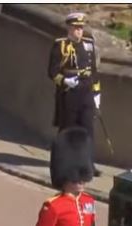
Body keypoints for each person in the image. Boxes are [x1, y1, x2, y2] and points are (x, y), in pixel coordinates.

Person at [47, 12, 102, 176]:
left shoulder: (88, 44)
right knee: (67, 129)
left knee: (88, 129)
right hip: (69, 93)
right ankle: (63, 162)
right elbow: (52, 72)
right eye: (76, 28)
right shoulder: (61, 45)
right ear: (69, 28)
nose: (79, 31)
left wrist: (97, 93)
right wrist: (65, 81)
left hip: (86, 92)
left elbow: (93, 71)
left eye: (81, 28)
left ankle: (88, 164)